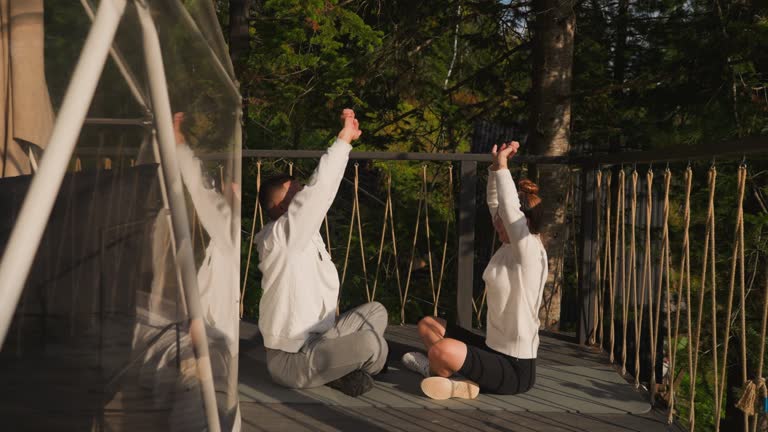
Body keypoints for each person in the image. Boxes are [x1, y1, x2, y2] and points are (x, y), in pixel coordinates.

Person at [254, 109, 388, 397]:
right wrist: (342, 142)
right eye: (295, 193)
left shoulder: (303, 235)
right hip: (291, 359)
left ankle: (340, 370)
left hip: (320, 340)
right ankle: (350, 367)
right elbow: (320, 189)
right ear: (280, 210)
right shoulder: (280, 237)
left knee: (376, 311)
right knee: (371, 344)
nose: (303, 193)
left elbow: (316, 197)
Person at [401, 141, 548, 400]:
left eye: (502, 221)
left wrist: (504, 167)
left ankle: (435, 370)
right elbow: (497, 204)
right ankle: (457, 382)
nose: (496, 224)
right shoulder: (506, 244)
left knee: (440, 351)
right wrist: (494, 168)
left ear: (521, 223)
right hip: (492, 349)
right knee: (428, 325)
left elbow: (510, 213)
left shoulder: (530, 253)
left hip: (514, 370)